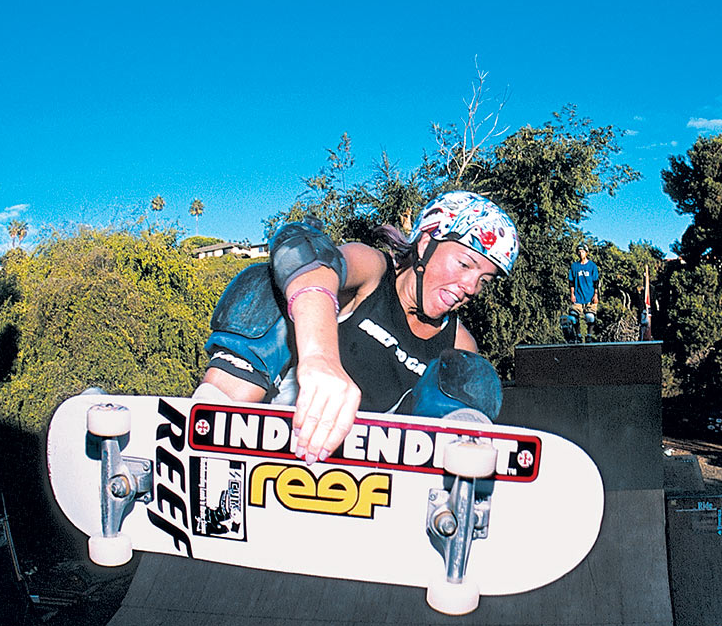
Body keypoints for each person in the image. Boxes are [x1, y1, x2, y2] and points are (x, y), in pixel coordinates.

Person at [198, 191, 519, 462]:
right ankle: (213, 416)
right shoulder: (374, 270)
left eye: (483, 280)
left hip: (375, 466)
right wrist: (320, 357)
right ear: (425, 244)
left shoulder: (459, 344)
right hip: (286, 429)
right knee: (270, 282)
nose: (471, 286)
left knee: (470, 375)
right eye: (465, 265)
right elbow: (302, 252)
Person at [566, 244, 599, 342]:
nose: (581, 254)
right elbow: (571, 281)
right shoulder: (574, 266)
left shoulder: (592, 266)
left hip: (590, 296)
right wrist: (572, 294)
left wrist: (596, 295)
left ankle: (589, 335)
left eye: (583, 252)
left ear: (586, 253)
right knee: (573, 316)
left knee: (590, 317)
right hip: (578, 296)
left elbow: (596, 282)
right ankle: (578, 335)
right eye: (579, 252)